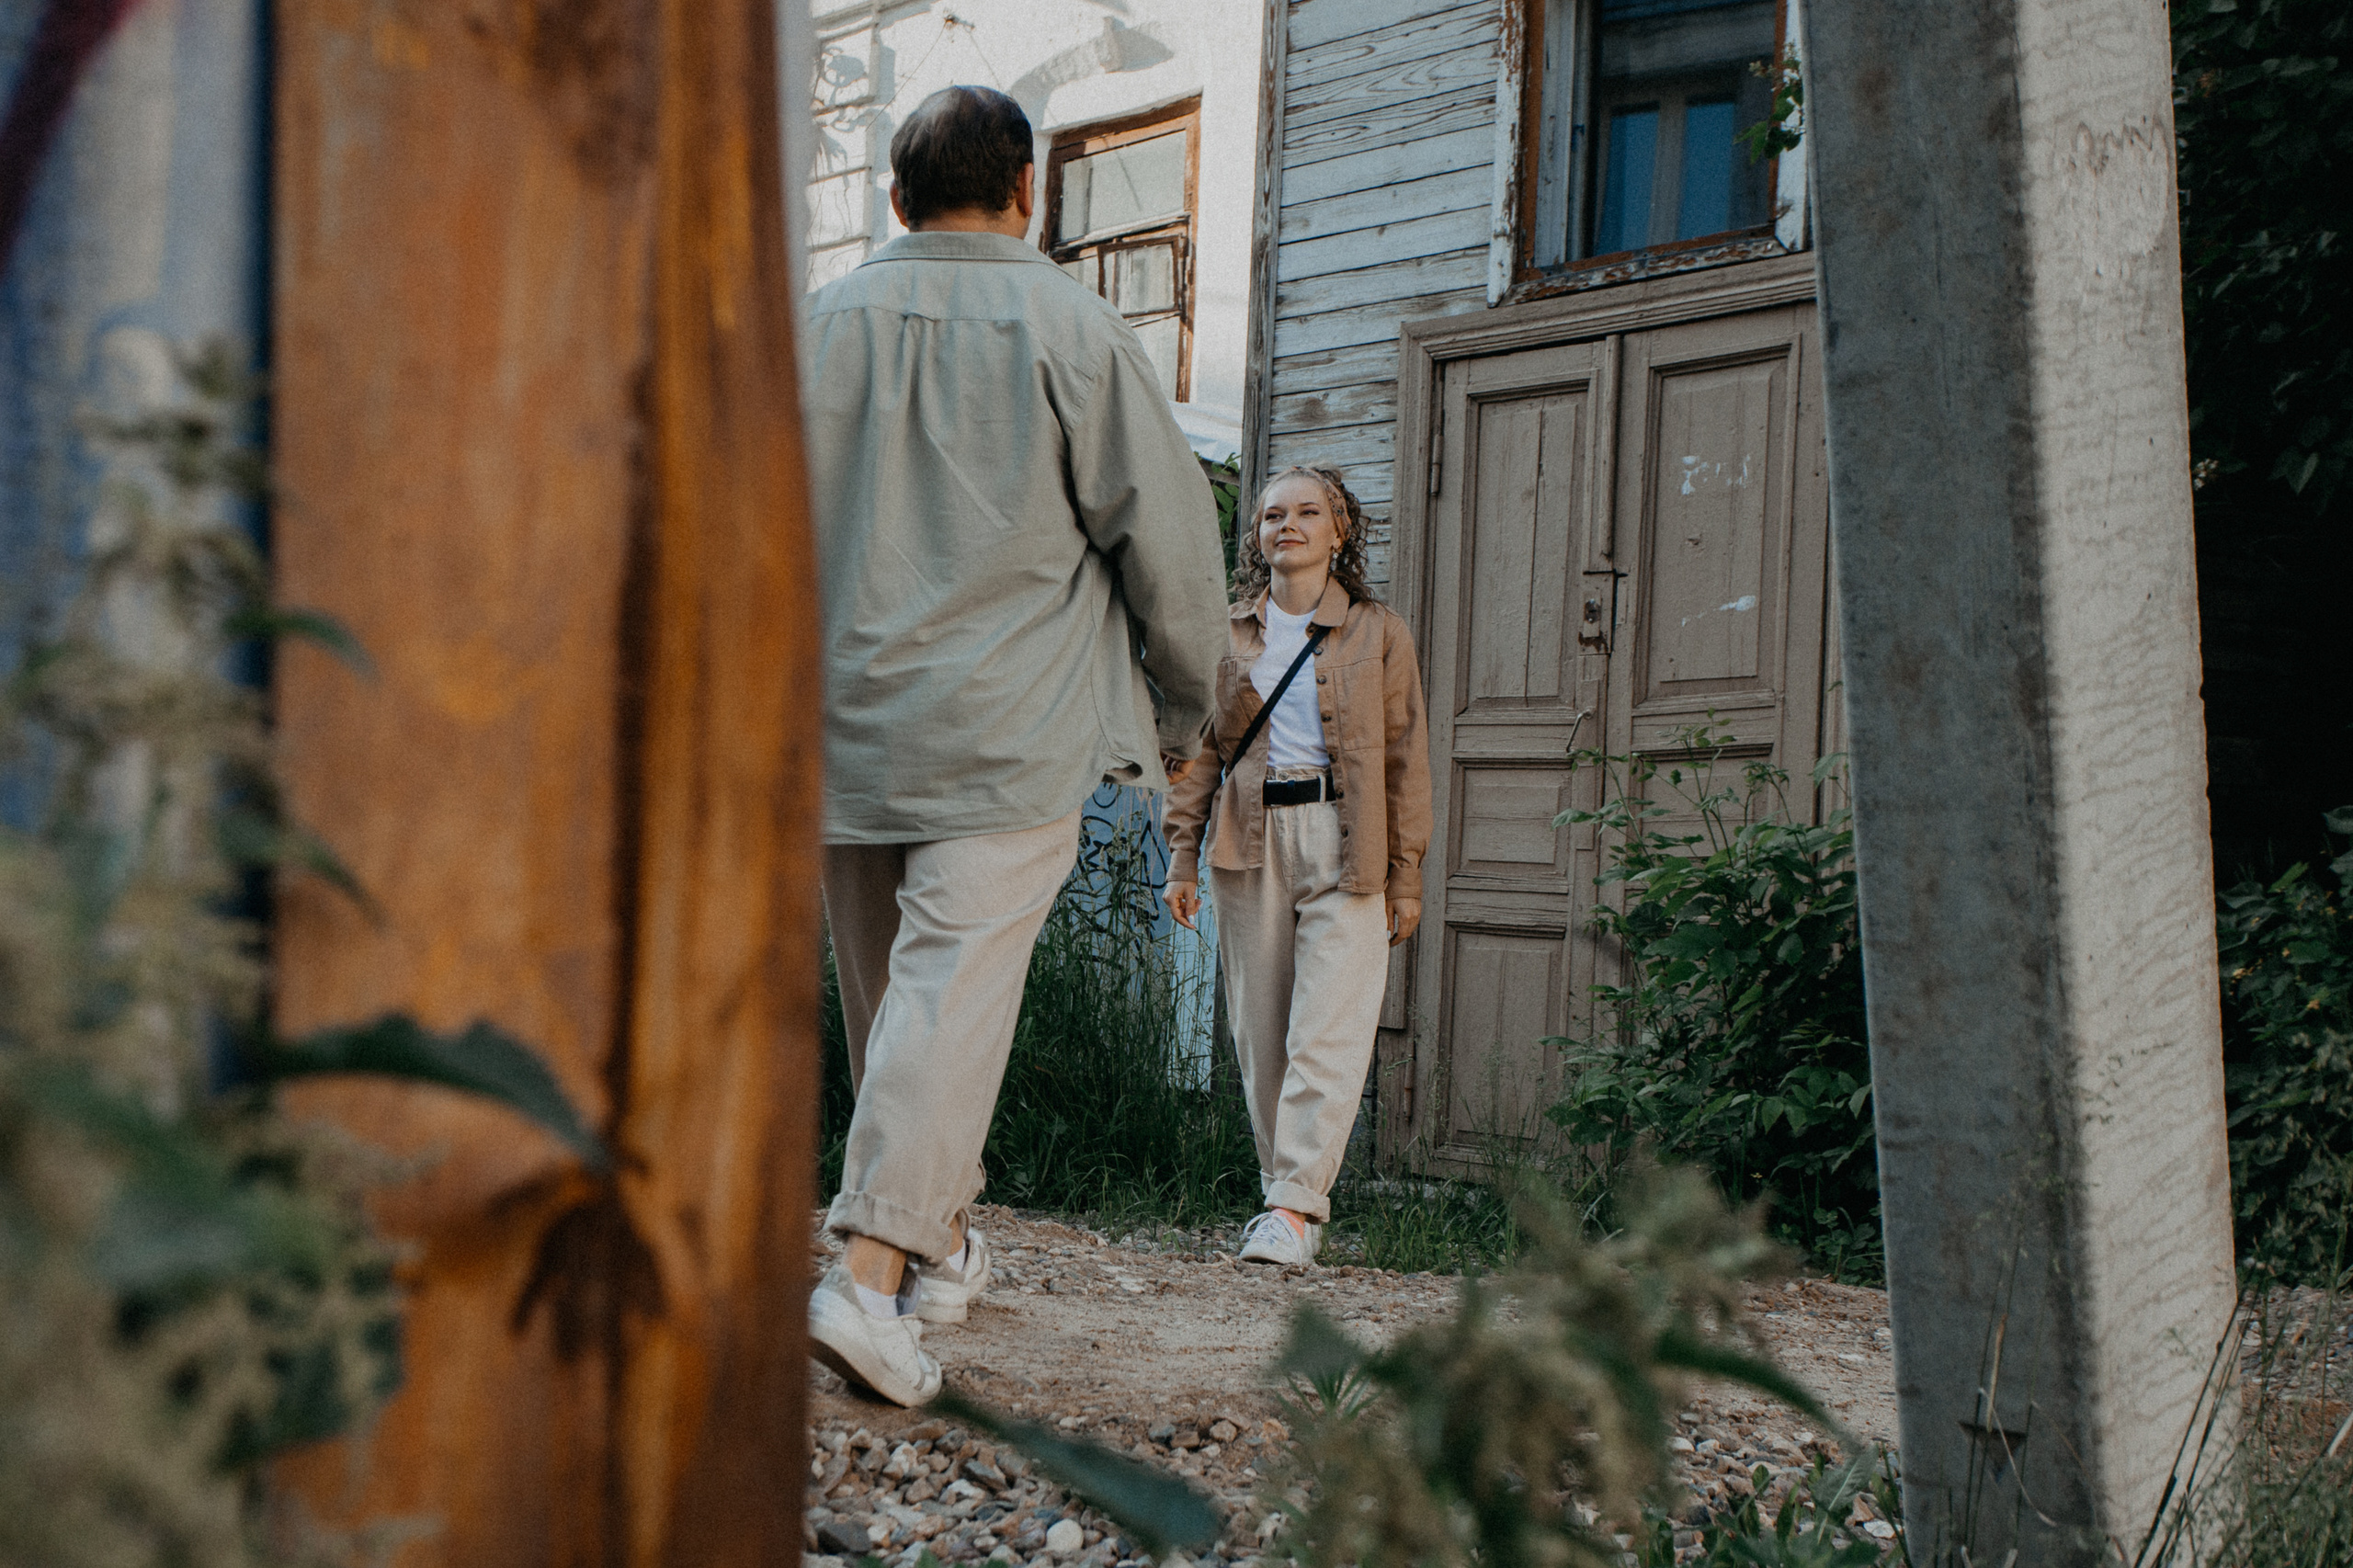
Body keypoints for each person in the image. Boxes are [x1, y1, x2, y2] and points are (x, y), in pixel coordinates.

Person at [802, 85, 1229, 1404]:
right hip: (1009, 730)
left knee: (900, 1012)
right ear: (1027, 193)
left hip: (841, 729)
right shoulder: (1077, 326)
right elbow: (1168, 545)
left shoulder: (814, 328)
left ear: (894, 194)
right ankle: (866, 1282)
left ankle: (940, 1243)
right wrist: (1185, 709)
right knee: (943, 1003)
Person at [1162, 465, 1431, 1266]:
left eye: (1309, 512)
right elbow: (1203, 753)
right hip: (1248, 842)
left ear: (1338, 530)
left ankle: (1293, 1208)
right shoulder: (1230, 632)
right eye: (1273, 514)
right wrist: (1181, 856)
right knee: (1261, 1030)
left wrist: (1407, 871)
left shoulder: (1378, 631)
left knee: (1330, 1029)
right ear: (1256, 536)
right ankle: (1286, 1194)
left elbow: (1404, 757)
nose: (1289, 525)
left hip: (1349, 841)